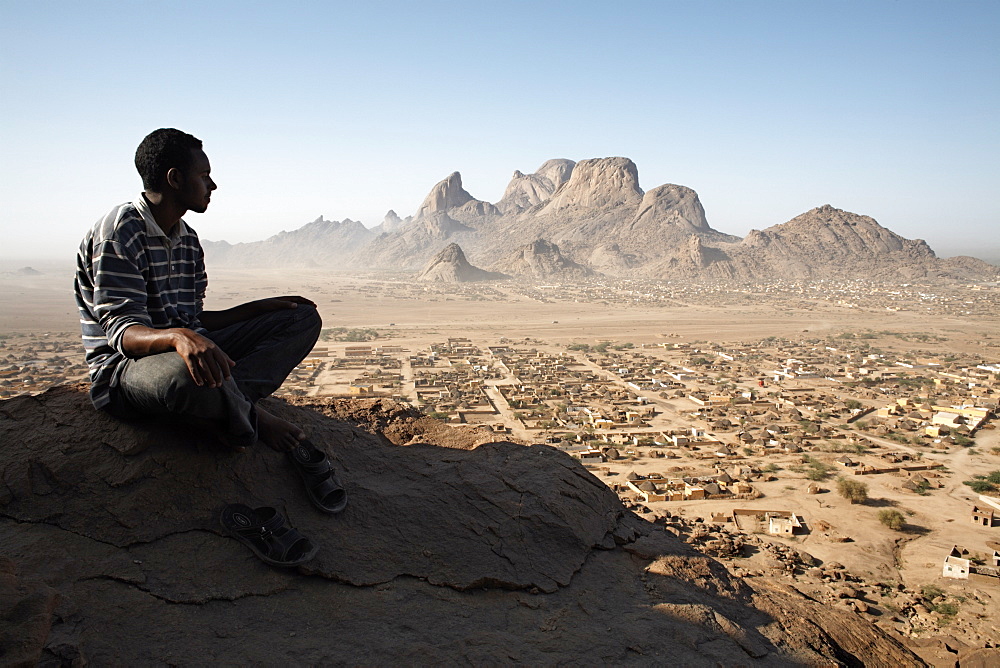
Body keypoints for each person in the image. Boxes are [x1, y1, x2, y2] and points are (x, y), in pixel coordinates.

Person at [74, 128, 322, 452]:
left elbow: (192, 322)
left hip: (177, 352)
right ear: (174, 179)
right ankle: (251, 419)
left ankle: (231, 405)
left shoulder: (187, 239)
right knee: (182, 374)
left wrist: (255, 310)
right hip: (126, 372)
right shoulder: (120, 233)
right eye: (204, 175)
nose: (212, 185)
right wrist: (178, 337)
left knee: (302, 318)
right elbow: (124, 336)